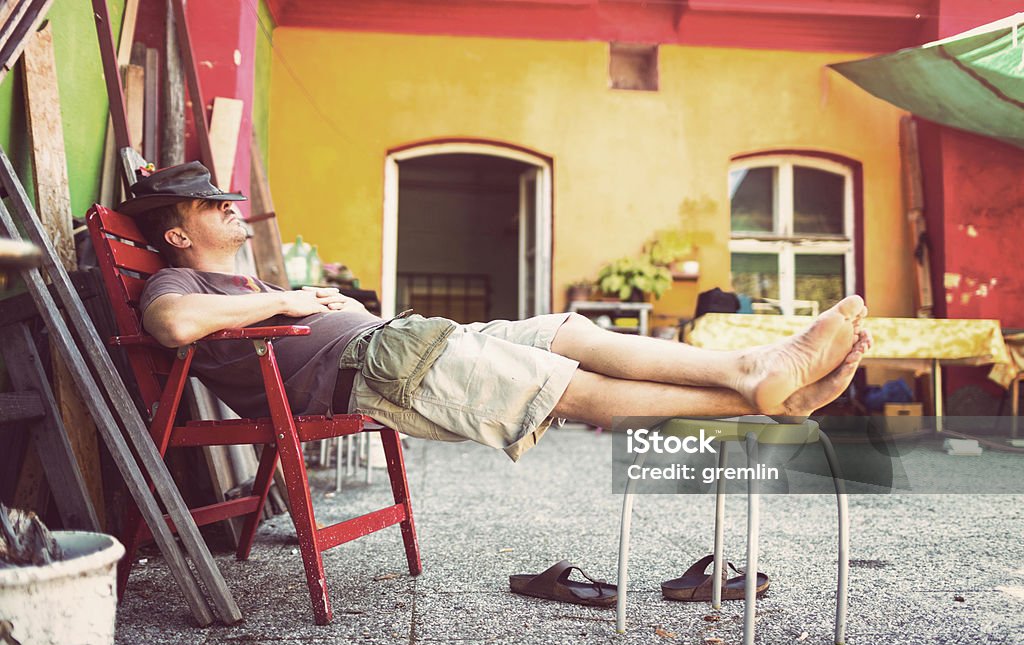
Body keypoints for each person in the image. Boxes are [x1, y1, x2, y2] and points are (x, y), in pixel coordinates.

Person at [121, 162, 872, 462]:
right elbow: (172, 329)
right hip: (374, 369)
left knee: (566, 331)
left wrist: (326, 302)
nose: (231, 205)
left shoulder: (242, 279)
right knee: (561, 385)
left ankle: (752, 373)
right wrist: (289, 299)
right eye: (211, 203)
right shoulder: (177, 284)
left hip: (401, 343)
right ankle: (758, 392)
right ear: (181, 233)